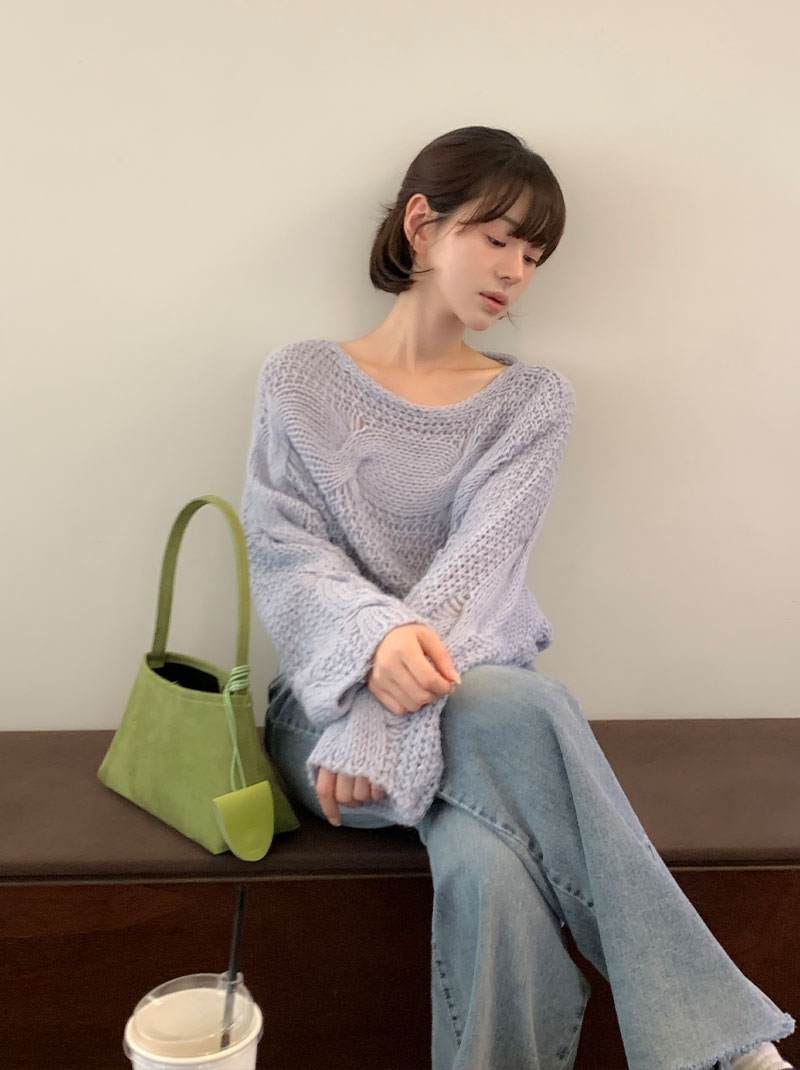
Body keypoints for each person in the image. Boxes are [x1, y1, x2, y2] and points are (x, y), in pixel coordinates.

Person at [240, 126, 796, 1070]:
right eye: (497, 238)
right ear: (423, 224)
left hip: (469, 703)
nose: (515, 272)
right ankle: (723, 1047)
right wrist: (374, 659)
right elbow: (285, 555)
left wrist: (393, 712)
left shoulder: (531, 401)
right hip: (324, 721)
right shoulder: (300, 379)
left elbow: (481, 574)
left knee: (492, 873)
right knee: (529, 704)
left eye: (534, 256)